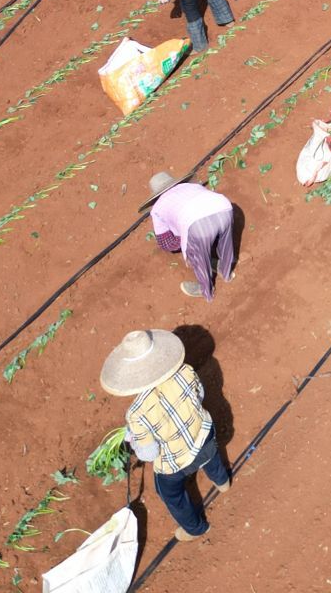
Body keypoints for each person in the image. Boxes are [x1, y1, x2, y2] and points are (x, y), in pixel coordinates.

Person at [102, 328, 230, 543]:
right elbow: (200, 395)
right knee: (210, 456)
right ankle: (222, 481)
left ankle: (195, 528)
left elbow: (149, 454)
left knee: (171, 494)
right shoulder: (185, 371)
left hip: (176, 462)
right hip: (204, 435)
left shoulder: (137, 413)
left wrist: (133, 439)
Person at [142, 173, 237, 299]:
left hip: (197, 225)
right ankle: (226, 272)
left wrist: (184, 241)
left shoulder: (157, 209)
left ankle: (206, 291)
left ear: (155, 195)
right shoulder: (192, 186)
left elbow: (166, 242)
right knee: (225, 244)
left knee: (198, 256)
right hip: (224, 208)